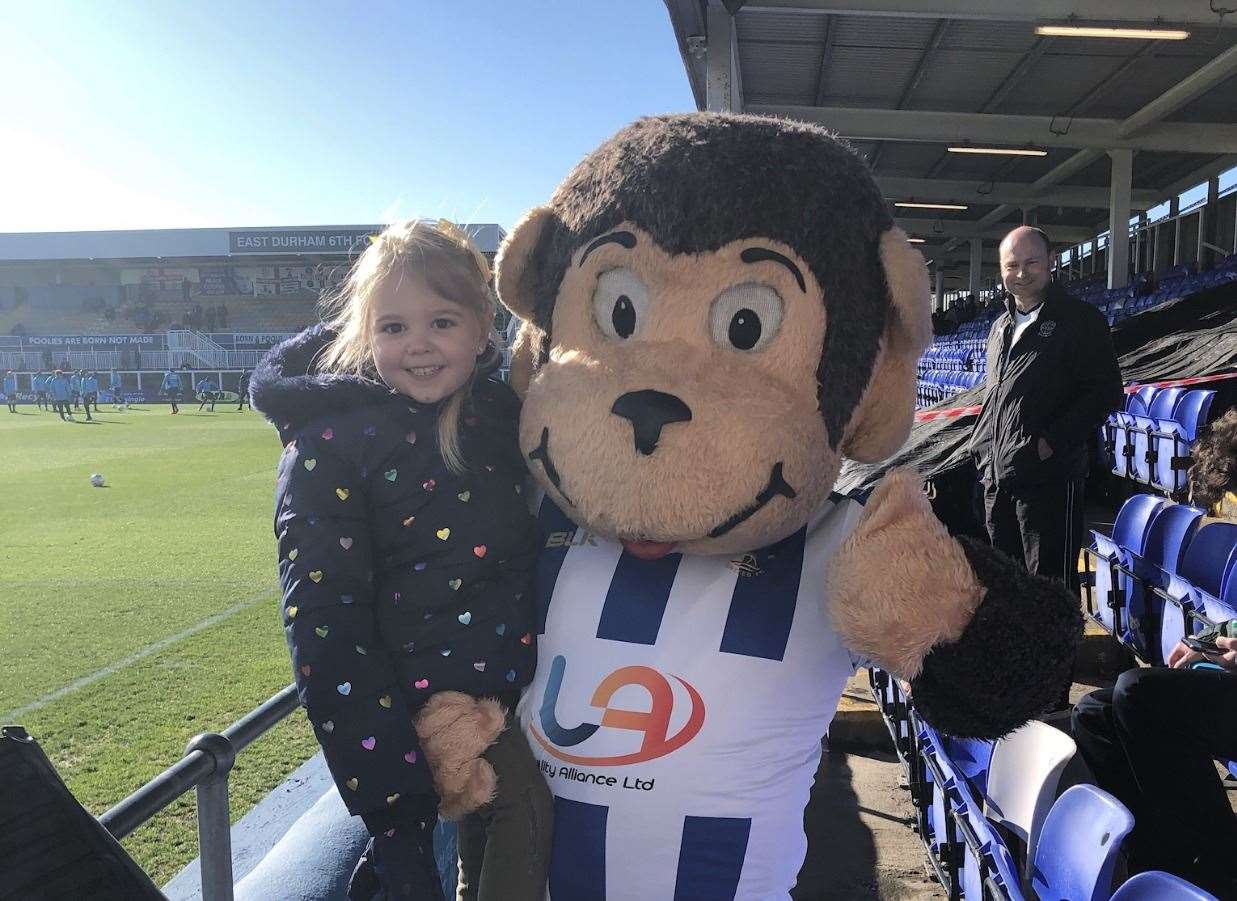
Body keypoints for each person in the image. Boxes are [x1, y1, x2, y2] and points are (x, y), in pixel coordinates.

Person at [250, 219, 551, 901]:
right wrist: (392, 807)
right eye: (391, 327)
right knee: (520, 810)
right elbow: (325, 625)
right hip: (411, 714)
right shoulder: (329, 445)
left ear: (482, 330)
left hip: (509, 697)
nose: (417, 343)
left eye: (441, 320)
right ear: (363, 335)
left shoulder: (498, 417)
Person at [968, 226, 1123, 591]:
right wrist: (984, 454)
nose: (1021, 273)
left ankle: (1059, 652)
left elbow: (1105, 391)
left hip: (1049, 481)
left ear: (1051, 261)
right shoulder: (1000, 327)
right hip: (998, 480)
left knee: (1051, 591)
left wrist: (1049, 443)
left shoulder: (1080, 320)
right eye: (1012, 265)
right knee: (1006, 588)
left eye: (1031, 262)